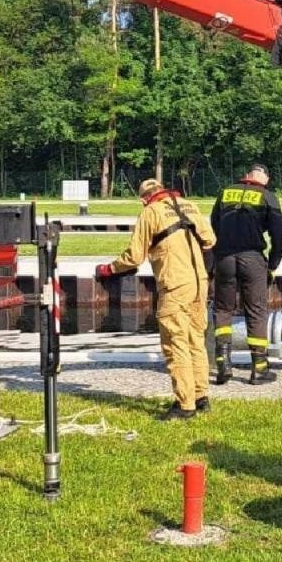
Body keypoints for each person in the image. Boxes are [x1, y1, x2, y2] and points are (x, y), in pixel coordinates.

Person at [96, 178, 216, 420]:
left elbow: (134, 256)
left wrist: (108, 269)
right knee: (196, 340)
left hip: (175, 284)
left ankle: (185, 405)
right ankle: (201, 396)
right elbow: (210, 240)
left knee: (175, 343)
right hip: (199, 282)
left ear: (143, 198)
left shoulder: (150, 212)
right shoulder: (188, 204)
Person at [209, 163, 282, 385]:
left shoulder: (225, 192)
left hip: (224, 258)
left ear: (246, 176)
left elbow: (213, 227)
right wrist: (271, 266)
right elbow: (280, 238)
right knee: (255, 311)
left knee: (222, 309)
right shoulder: (267, 197)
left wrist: (214, 261)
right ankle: (259, 368)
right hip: (252, 258)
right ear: (265, 179)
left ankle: (223, 363)